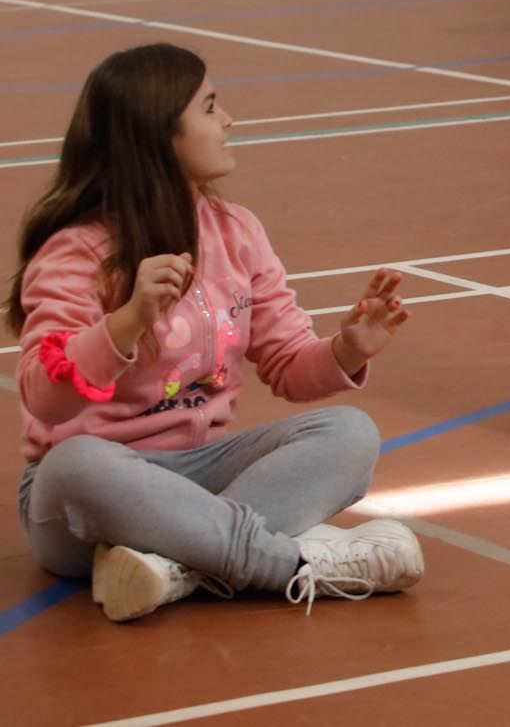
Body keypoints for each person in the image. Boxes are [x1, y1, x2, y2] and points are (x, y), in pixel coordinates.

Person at [11, 43, 426, 623]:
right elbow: (44, 398)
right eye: (209, 107)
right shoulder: (75, 250)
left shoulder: (237, 233)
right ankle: (290, 566)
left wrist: (345, 349)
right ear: (159, 134)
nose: (227, 120)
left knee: (349, 432)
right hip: (92, 497)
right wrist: (126, 322)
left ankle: (173, 568)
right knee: (76, 462)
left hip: (199, 473)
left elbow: (287, 364)